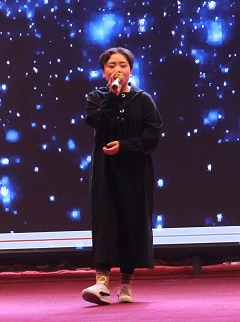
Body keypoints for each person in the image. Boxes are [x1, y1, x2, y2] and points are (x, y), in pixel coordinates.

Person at [81, 47, 163, 306]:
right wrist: (112, 96)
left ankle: (126, 283)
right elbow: (96, 121)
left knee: (132, 221)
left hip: (135, 171)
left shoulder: (143, 99)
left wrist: (125, 147)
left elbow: (152, 135)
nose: (117, 69)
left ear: (131, 70)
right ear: (103, 72)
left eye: (123, 65)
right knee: (105, 221)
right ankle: (101, 283)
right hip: (106, 170)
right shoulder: (96, 98)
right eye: (112, 65)